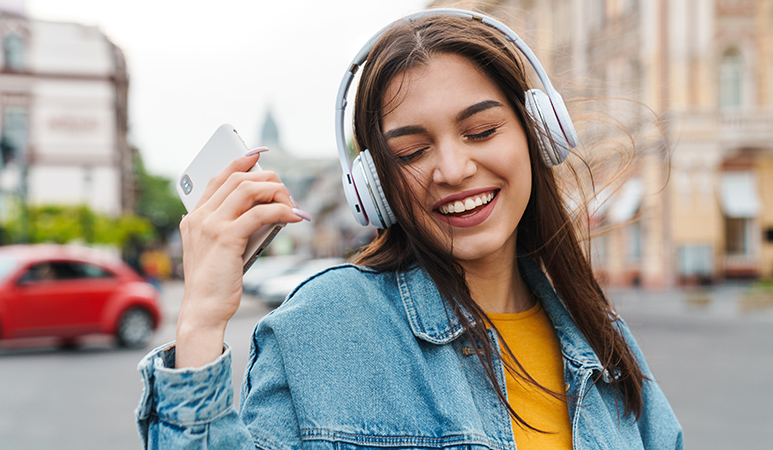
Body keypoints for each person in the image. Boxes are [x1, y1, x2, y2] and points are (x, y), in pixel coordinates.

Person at [136, 9, 682, 450]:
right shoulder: (325, 327)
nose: (452, 169)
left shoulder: (601, 338)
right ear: (373, 186)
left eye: (482, 130)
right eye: (413, 151)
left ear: (540, 131)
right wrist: (201, 324)